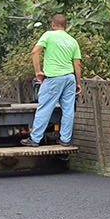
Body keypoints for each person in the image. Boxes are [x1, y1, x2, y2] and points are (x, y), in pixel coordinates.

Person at [30, 14, 82, 146]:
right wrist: (78, 82)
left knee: (45, 107)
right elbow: (77, 64)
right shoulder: (72, 41)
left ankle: (35, 139)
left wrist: (38, 72)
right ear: (66, 26)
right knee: (68, 109)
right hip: (69, 78)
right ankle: (65, 140)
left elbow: (35, 52)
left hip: (53, 78)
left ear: (53, 24)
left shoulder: (48, 35)